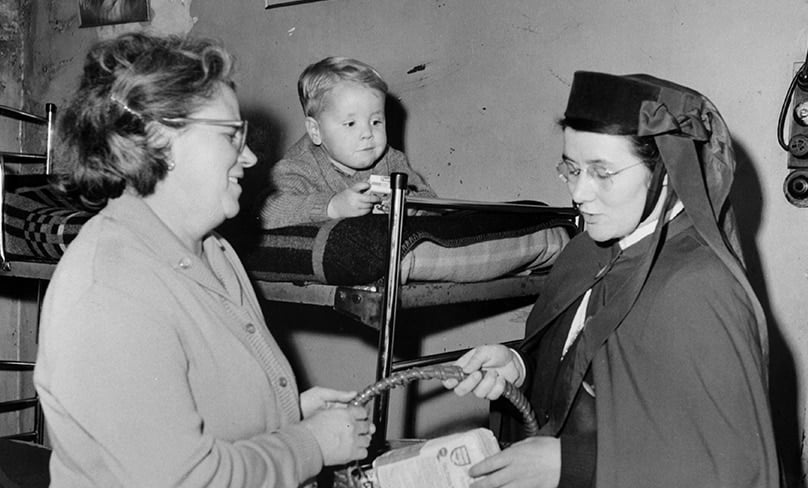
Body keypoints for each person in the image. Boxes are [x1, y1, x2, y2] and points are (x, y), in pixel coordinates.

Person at [33, 33, 373, 487]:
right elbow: (186, 479)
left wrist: (289, 413)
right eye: (232, 135)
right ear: (160, 139)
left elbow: (206, 414)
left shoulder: (213, 250)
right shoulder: (108, 289)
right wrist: (309, 444)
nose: (249, 156)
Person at [444, 71, 781, 487]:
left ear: (666, 172)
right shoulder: (586, 251)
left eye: (602, 173)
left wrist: (573, 466)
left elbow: (732, 470)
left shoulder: (699, 287)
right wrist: (520, 369)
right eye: (571, 169)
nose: (580, 194)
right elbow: (587, 371)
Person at [258, 56, 436, 229]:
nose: (367, 133)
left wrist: (415, 206)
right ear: (315, 131)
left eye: (376, 122)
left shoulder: (391, 160)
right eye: (350, 124)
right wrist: (332, 206)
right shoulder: (301, 165)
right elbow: (266, 212)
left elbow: (432, 201)